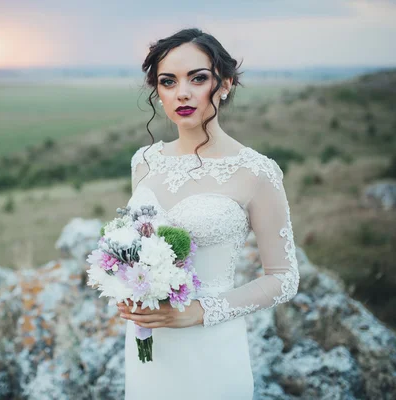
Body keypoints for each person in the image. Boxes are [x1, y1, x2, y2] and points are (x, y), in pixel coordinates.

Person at [119, 28, 300, 399]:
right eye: (168, 82)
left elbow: (283, 278)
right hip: (148, 349)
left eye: (197, 78)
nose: (182, 93)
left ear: (225, 84)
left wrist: (200, 311)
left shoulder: (256, 171)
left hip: (211, 346)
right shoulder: (144, 161)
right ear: (158, 91)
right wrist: (127, 284)